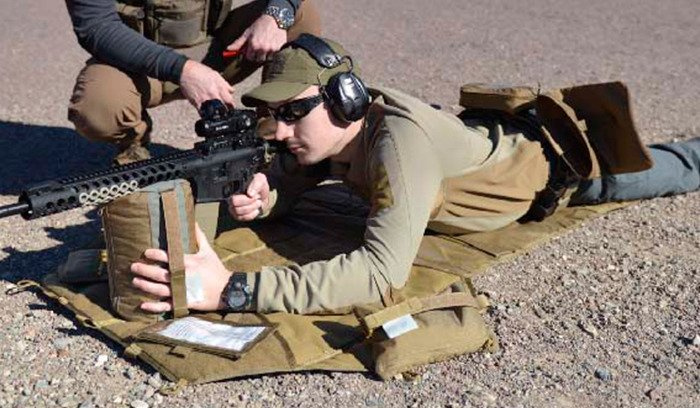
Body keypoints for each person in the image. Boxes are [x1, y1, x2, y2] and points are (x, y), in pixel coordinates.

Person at [129, 35, 700, 316]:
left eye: (294, 112)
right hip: (471, 142)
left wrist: (233, 290)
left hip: (548, 171)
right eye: (273, 115)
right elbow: (289, 179)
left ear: (347, 102)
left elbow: (380, 276)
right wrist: (268, 196)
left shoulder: (398, 145)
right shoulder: (328, 136)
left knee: (665, 169)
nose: (278, 130)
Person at [65, 0, 321, 164]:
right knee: (97, 109)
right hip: (136, 63)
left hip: (218, 48)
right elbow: (96, 27)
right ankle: (133, 143)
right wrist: (183, 70)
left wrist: (276, 15)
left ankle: (274, 133)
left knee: (298, 14)